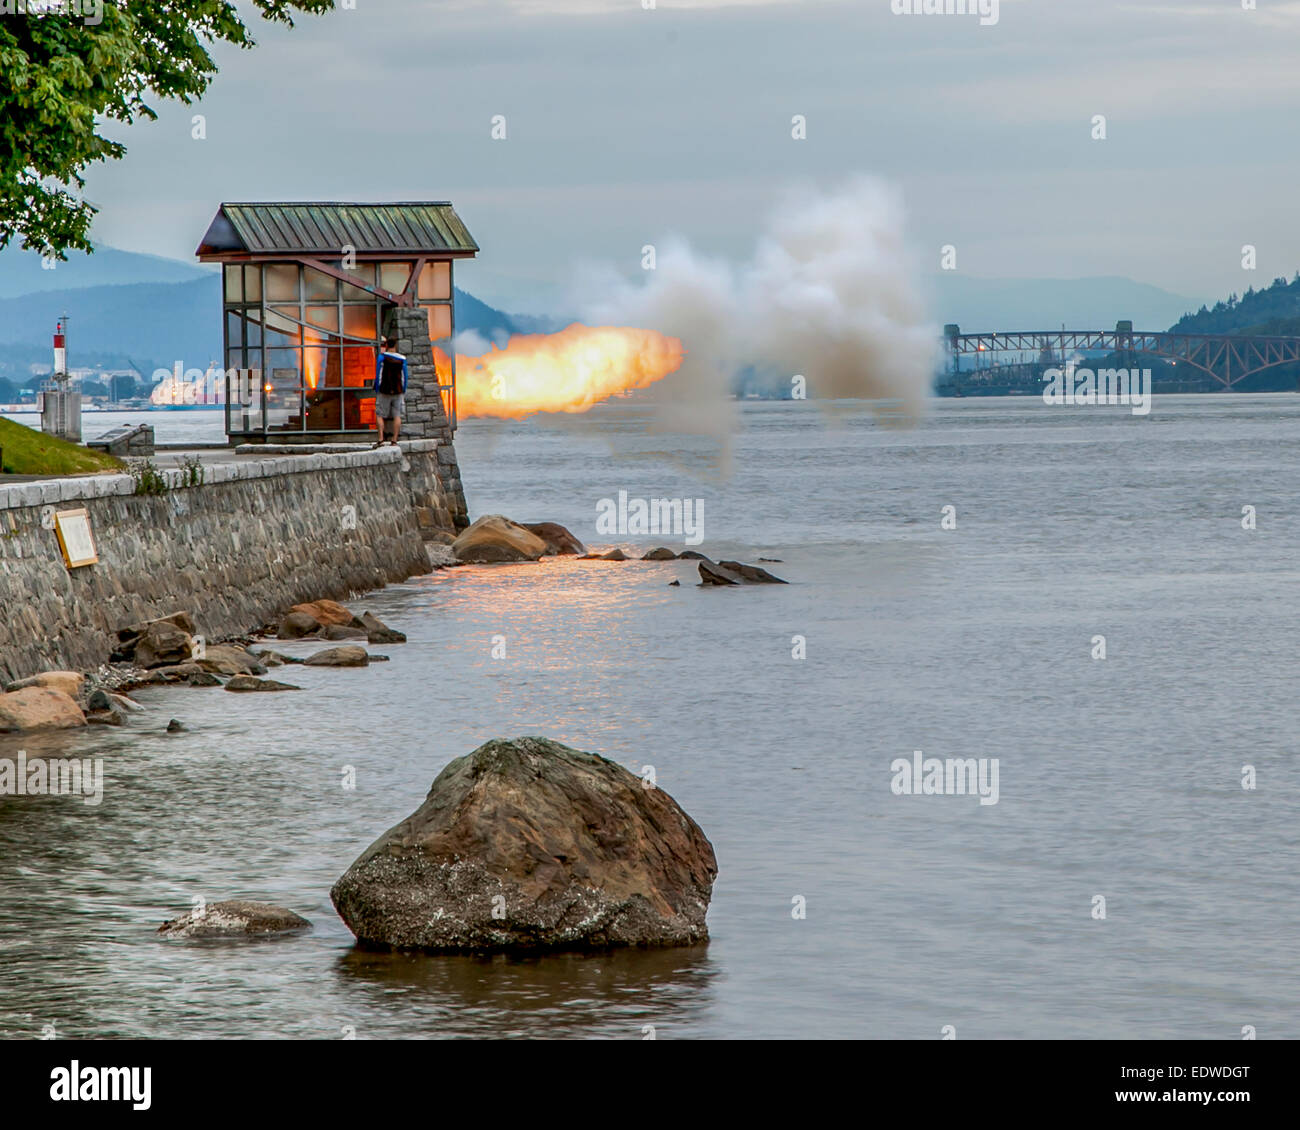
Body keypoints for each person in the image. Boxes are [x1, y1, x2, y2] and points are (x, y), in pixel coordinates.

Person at [373, 337, 409, 446]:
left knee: (379, 414)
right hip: (398, 391)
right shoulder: (402, 359)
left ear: (387, 345)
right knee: (397, 416)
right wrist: (403, 389)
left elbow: (378, 374)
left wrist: (377, 388)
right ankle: (394, 440)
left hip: (384, 390)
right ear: (396, 345)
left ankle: (381, 439)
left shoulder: (382, 358)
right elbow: (405, 376)